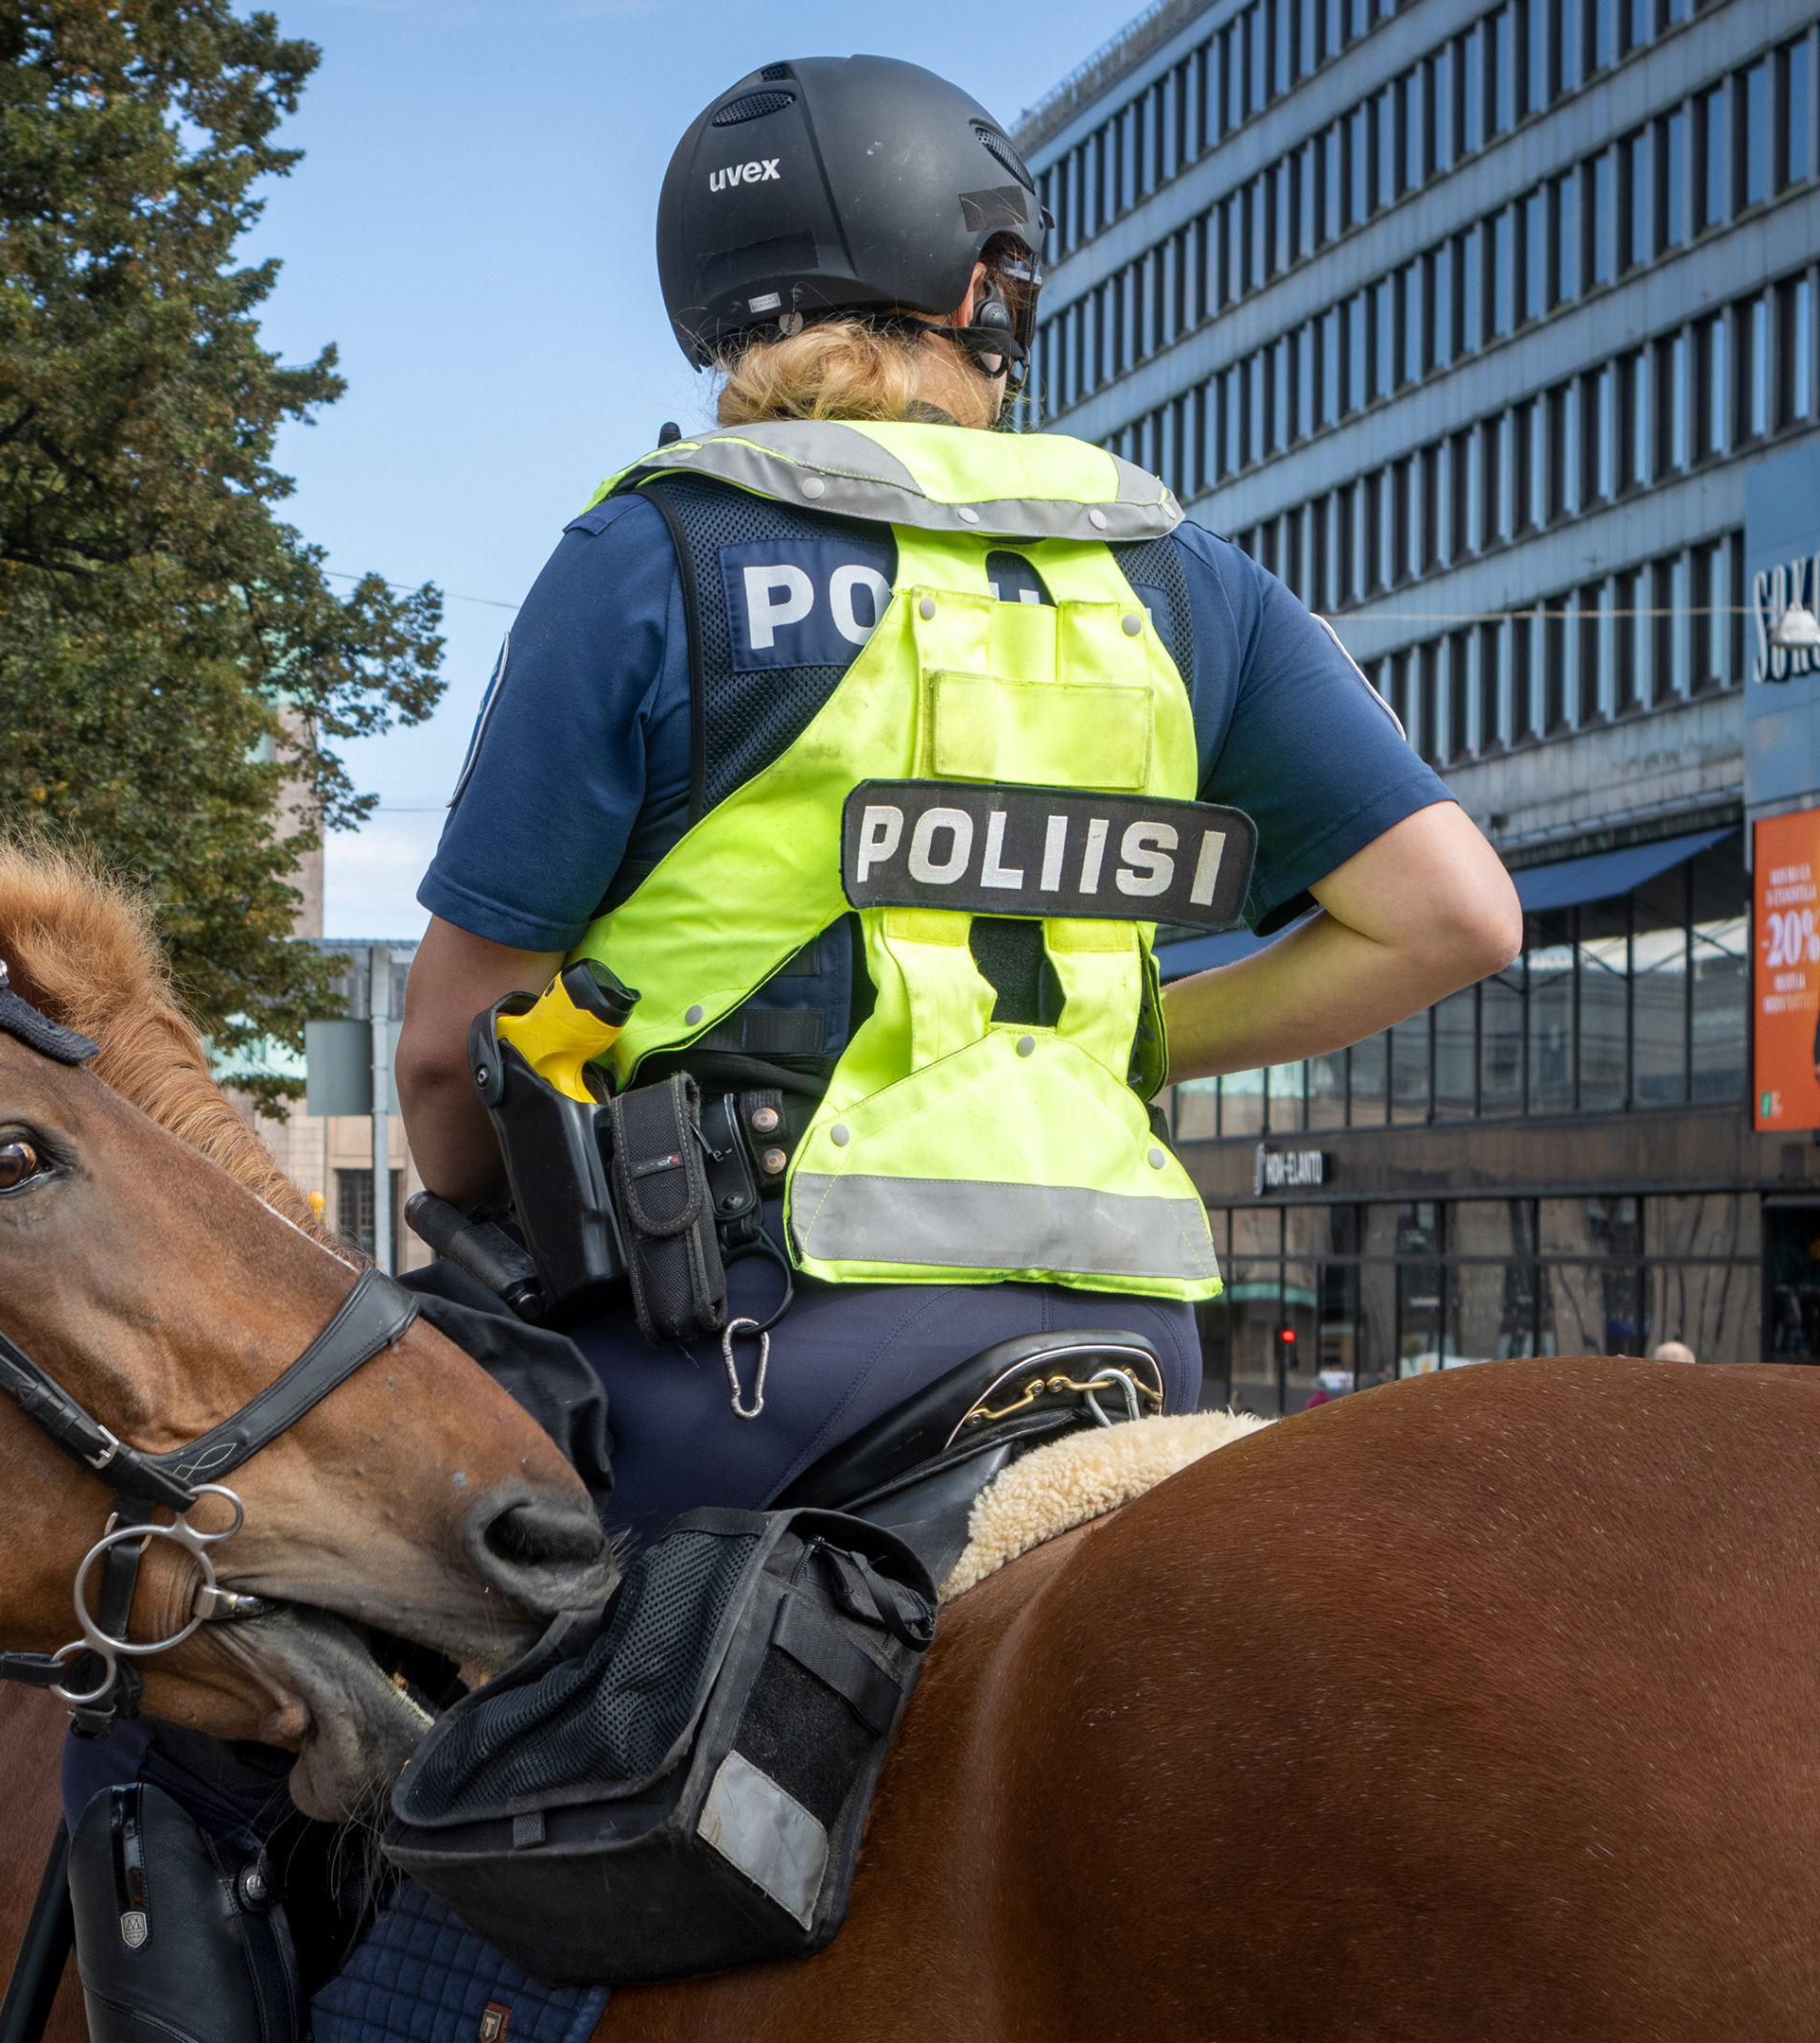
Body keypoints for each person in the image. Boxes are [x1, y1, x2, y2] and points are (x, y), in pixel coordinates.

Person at [392, 53, 1519, 1544]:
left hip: (731, 1361)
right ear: (987, 290)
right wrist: (1136, 1047)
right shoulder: (1184, 579)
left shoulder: (654, 552)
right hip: (1129, 1346)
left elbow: (439, 1064)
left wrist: (512, 1220)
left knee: (265, 1659)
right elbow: (1454, 916)